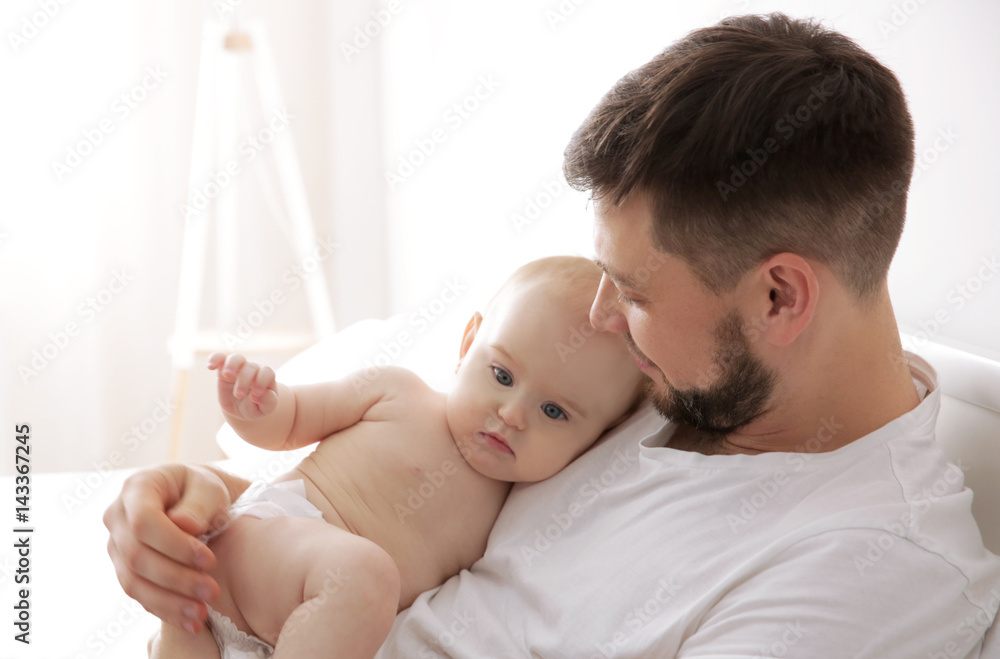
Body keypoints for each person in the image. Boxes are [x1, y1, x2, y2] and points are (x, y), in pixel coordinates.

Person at [106, 12, 1000, 657]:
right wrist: (184, 509)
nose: (602, 316)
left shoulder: (869, 573)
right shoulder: (657, 382)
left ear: (778, 298)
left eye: (636, 291)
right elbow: (383, 495)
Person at [147, 256, 646, 658]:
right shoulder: (398, 393)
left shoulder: (520, 513)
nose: (512, 414)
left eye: (554, 411)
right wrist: (255, 404)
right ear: (468, 343)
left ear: (601, 437)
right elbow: (290, 422)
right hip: (264, 543)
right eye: (501, 376)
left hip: (276, 634)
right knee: (366, 575)